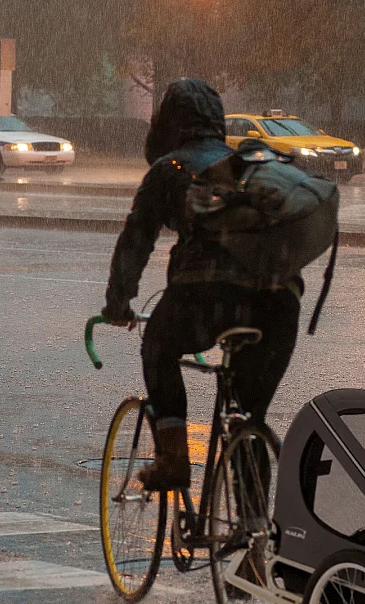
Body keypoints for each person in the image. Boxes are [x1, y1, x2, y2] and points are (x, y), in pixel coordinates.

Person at [100, 78, 301, 491]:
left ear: (168, 122)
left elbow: (136, 240)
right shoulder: (247, 165)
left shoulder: (169, 169)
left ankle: (173, 459)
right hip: (279, 304)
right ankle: (253, 522)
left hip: (206, 298)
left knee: (158, 348)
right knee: (247, 417)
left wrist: (118, 302)